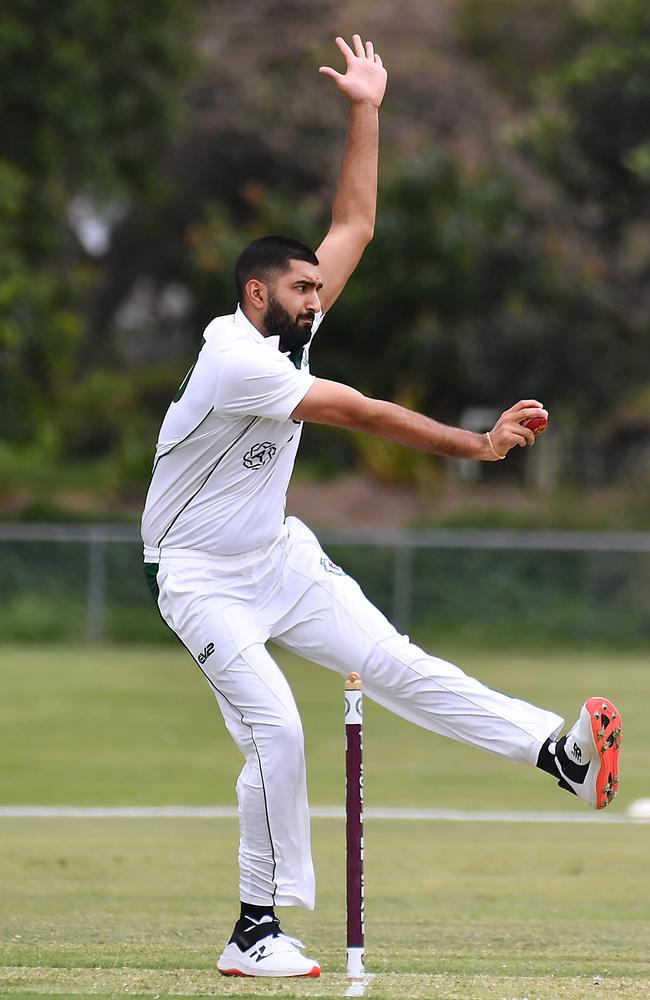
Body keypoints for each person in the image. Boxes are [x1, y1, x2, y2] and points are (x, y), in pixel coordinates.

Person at [141, 34, 622, 980]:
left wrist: (367, 107)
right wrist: (477, 446)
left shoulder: (291, 334)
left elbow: (354, 225)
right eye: (302, 288)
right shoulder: (234, 359)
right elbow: (359, 413)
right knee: (276, 727)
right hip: (200, 581)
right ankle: (253, 931)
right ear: (257, 293)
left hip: (278, 558)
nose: (319, 298)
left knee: (398, 666)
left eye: (318, 289)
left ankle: (555, 758)